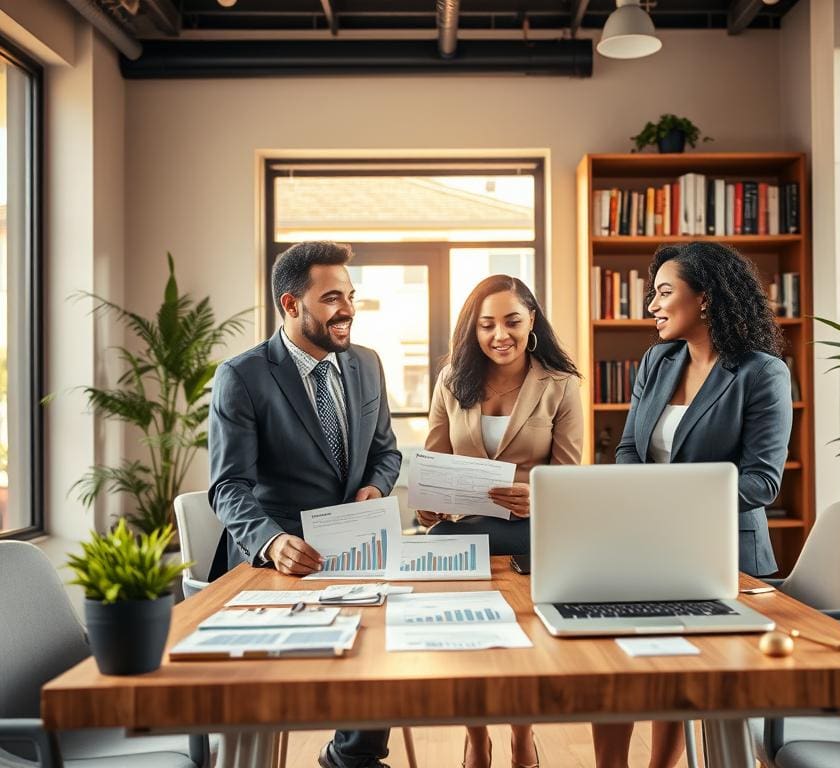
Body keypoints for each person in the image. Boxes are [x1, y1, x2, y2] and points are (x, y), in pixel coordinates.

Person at [591, 241, 793, 768]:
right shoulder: (659, 360)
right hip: (650, 547)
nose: (652, 306)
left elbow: (763, 482)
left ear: (704, 298)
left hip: (725, 555)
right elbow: (631, 447)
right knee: (616, 661)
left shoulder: (760, 372)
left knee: (678, 671)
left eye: (663, 292)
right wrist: (649, 503)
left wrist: (674, 505)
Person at [208, 240, 401, 768]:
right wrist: (271, 541)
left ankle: (352, 757)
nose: (348, 309)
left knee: (384, 637)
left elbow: (386, 452)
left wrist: (376, 488)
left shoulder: (366, 364)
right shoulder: (243, 376)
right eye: (332, 297)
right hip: (282, 561)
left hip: (358, 547)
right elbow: (228, 486)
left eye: (350, 295)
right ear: (291, 305)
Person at [416, 274, 583, 768]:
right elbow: (433, 457)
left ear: (532, 320)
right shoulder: (452, 380)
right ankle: (476, 737)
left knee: (522, 639)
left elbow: (570, 476)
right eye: (486, 325)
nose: (499, 335)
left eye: (511, 321)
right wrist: (427, 502)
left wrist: (537, 496)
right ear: (473, 329)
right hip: (463, 528)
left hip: (532, 531)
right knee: (467, 637)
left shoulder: (560, 384)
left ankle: (521, 735)